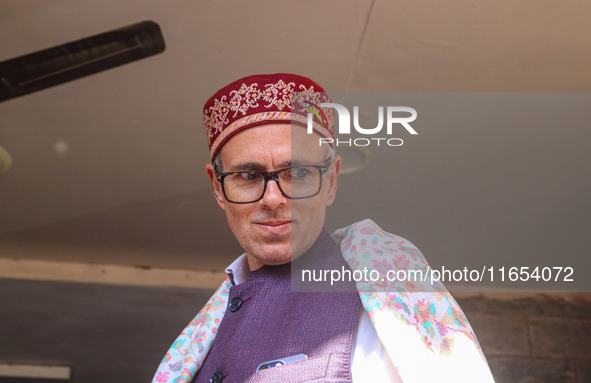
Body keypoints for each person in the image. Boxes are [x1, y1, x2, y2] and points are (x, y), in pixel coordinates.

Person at [153, 73, 496, 383]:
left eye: (298, 173)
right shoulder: (197, 347)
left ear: (331, 180)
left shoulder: (385, 308)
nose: (273, 199)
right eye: (248, 176)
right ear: (217, 187)